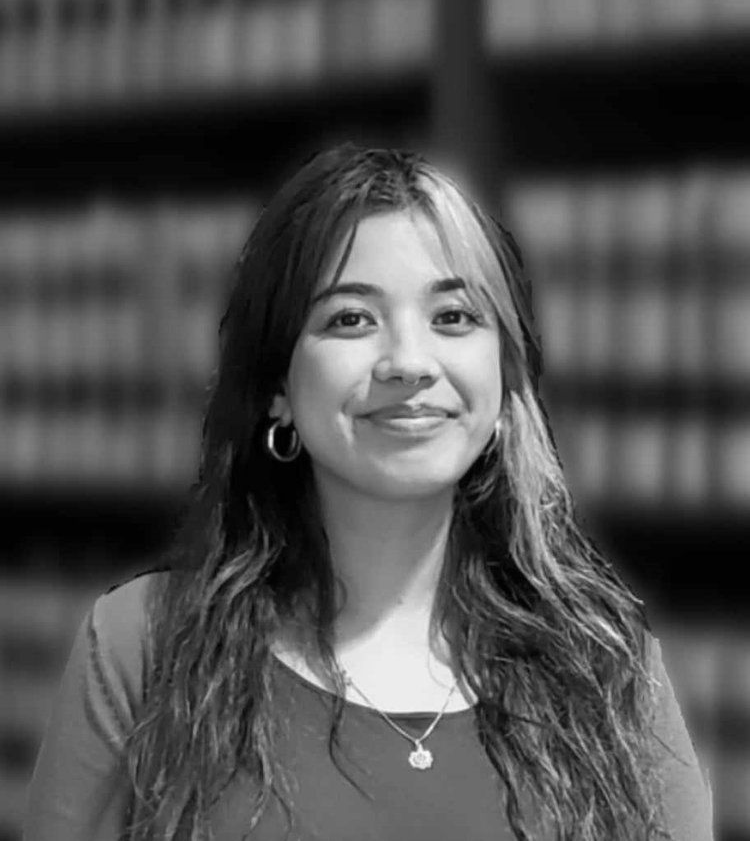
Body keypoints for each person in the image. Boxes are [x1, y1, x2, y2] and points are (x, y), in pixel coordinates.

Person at [24, 144, 714, 841]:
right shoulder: (141, 647)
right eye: (351, 319)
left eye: (454, 317)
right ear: (277, 388)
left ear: (505, 382)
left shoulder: (610, 670)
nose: (410, 363)